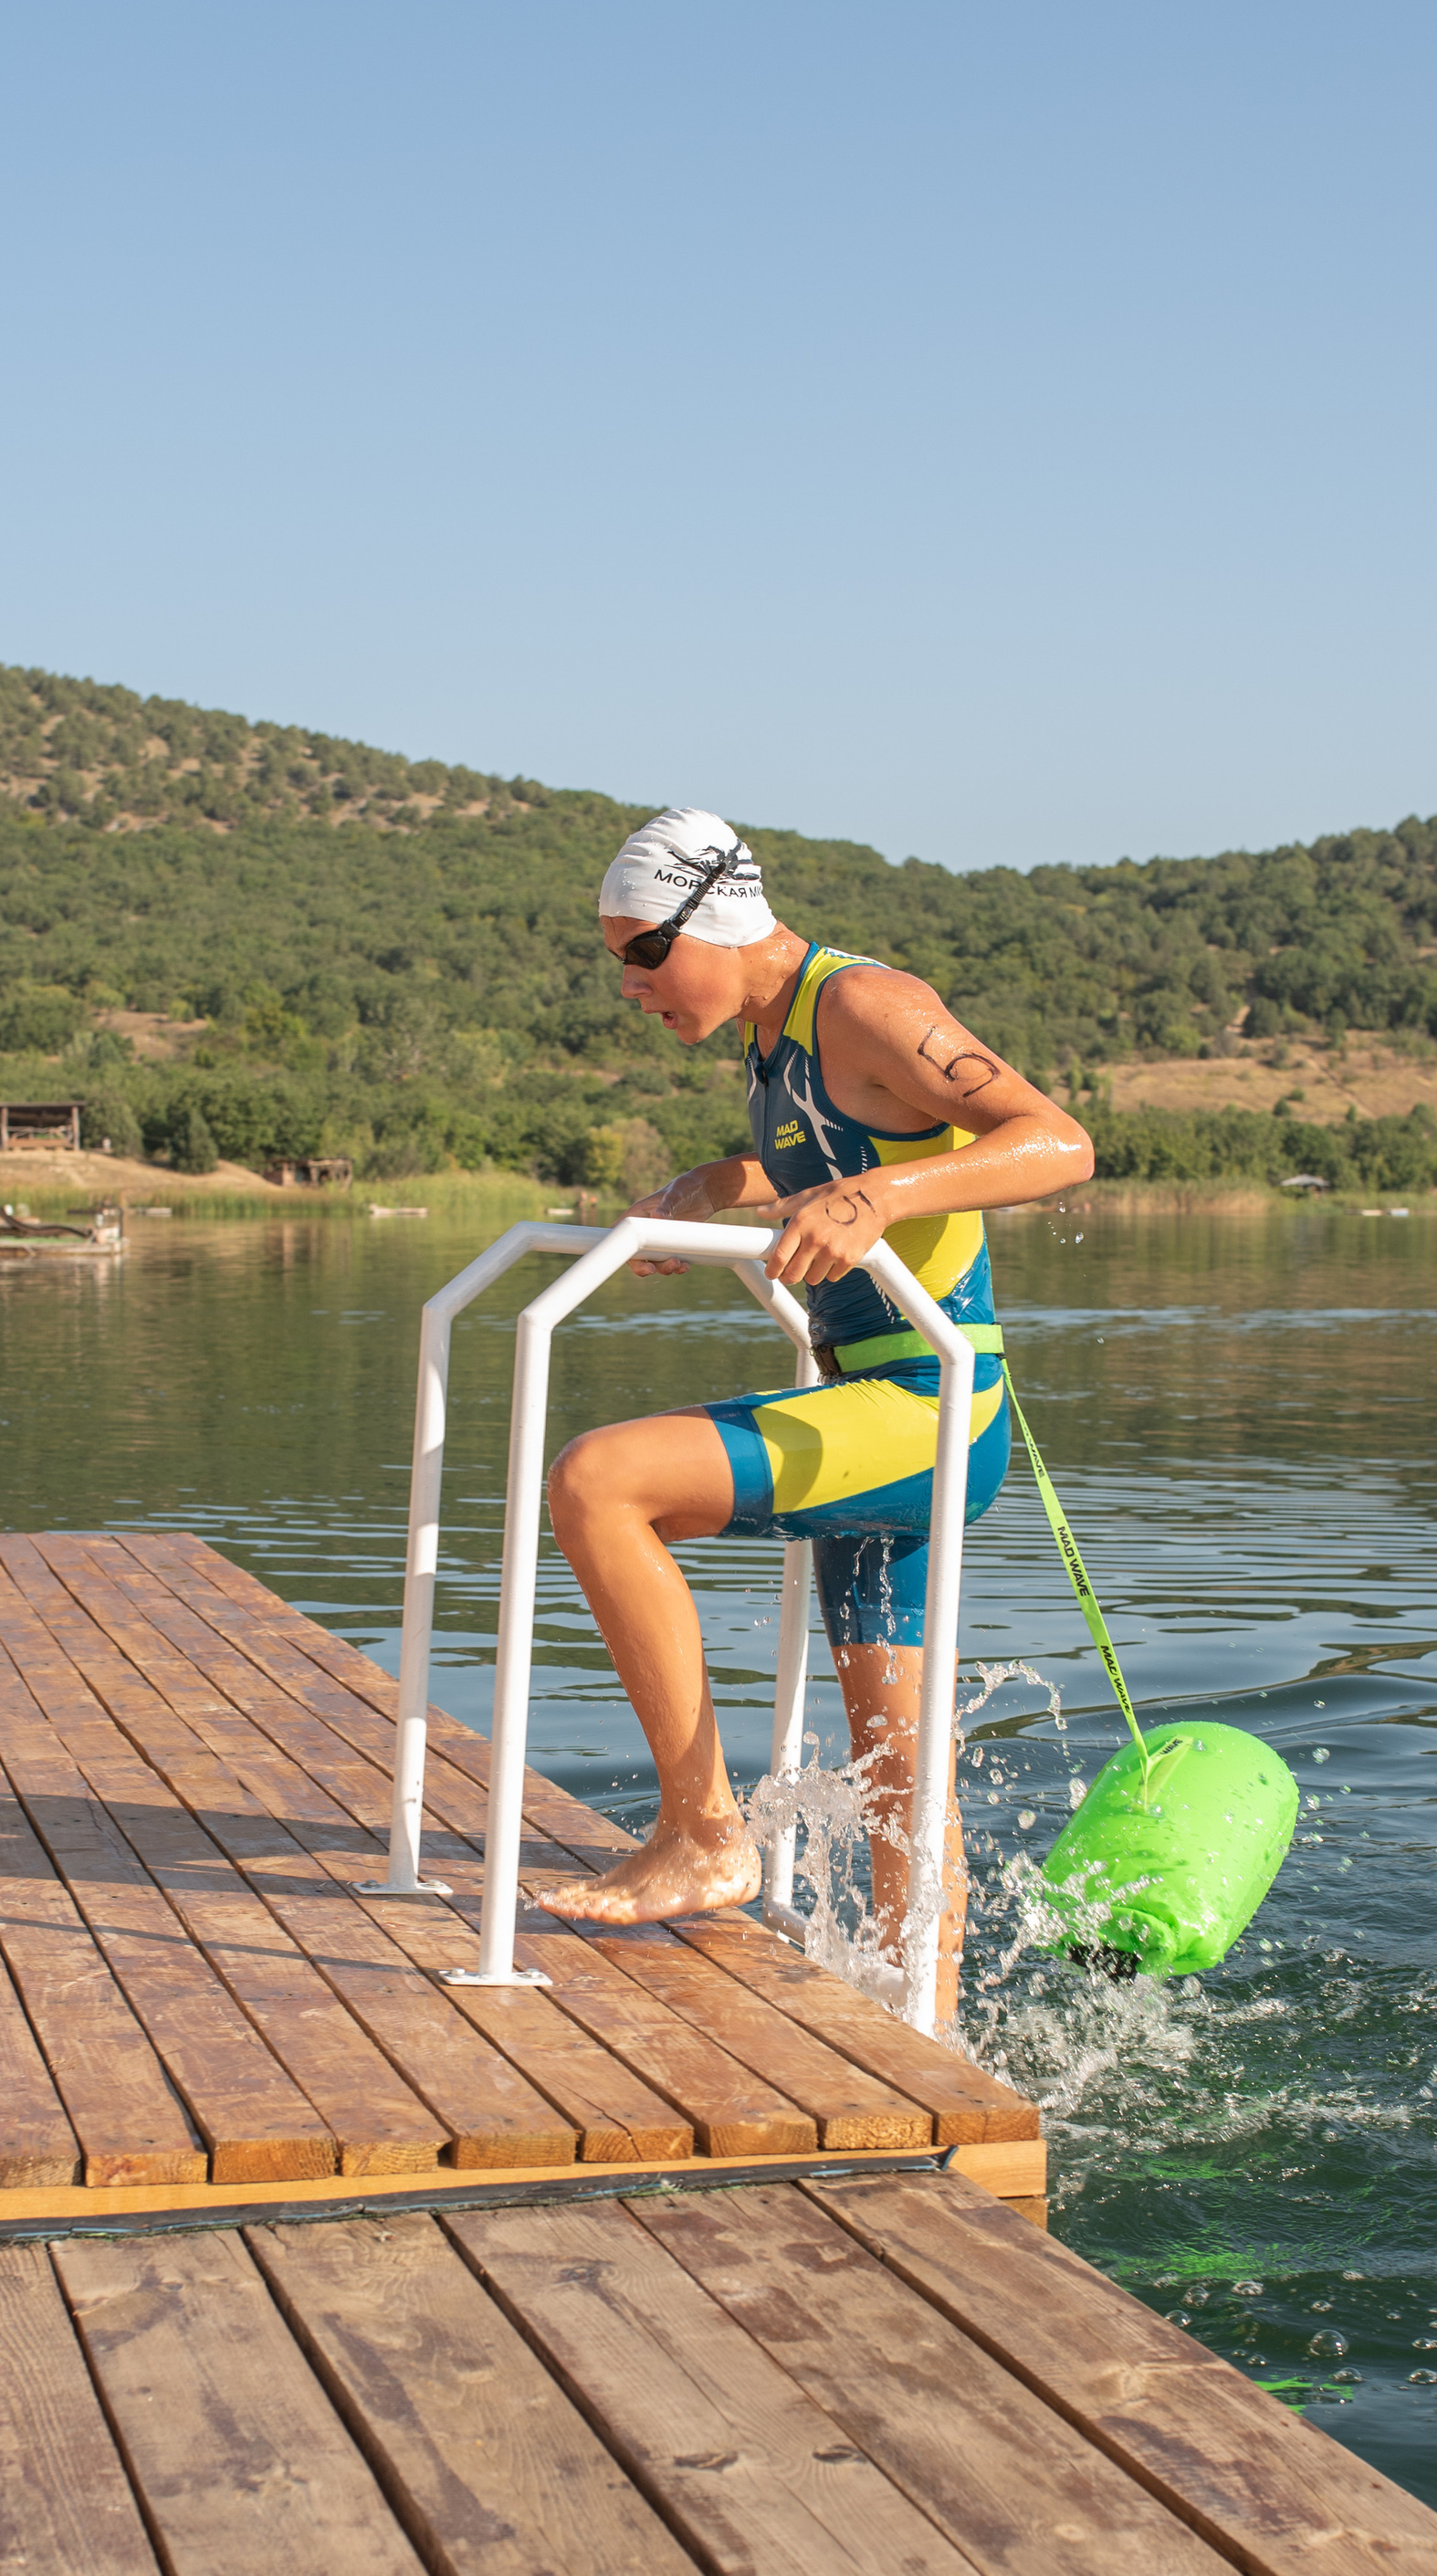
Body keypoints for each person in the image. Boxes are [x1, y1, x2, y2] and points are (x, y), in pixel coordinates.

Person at [533, 807, 1094, 1995]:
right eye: (617, 962)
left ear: (715, 920)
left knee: (599, 1481)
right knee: (898, 1760)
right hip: (880, 1410)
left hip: (929, 1403)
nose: (630, 987)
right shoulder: (774, 1038)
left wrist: (883, 1199)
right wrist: (713, 1181)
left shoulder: (863, 1005)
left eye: (642, 953)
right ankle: (929, 2022)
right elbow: (823, 1157)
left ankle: (701, 1832)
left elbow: (1057, 1142)